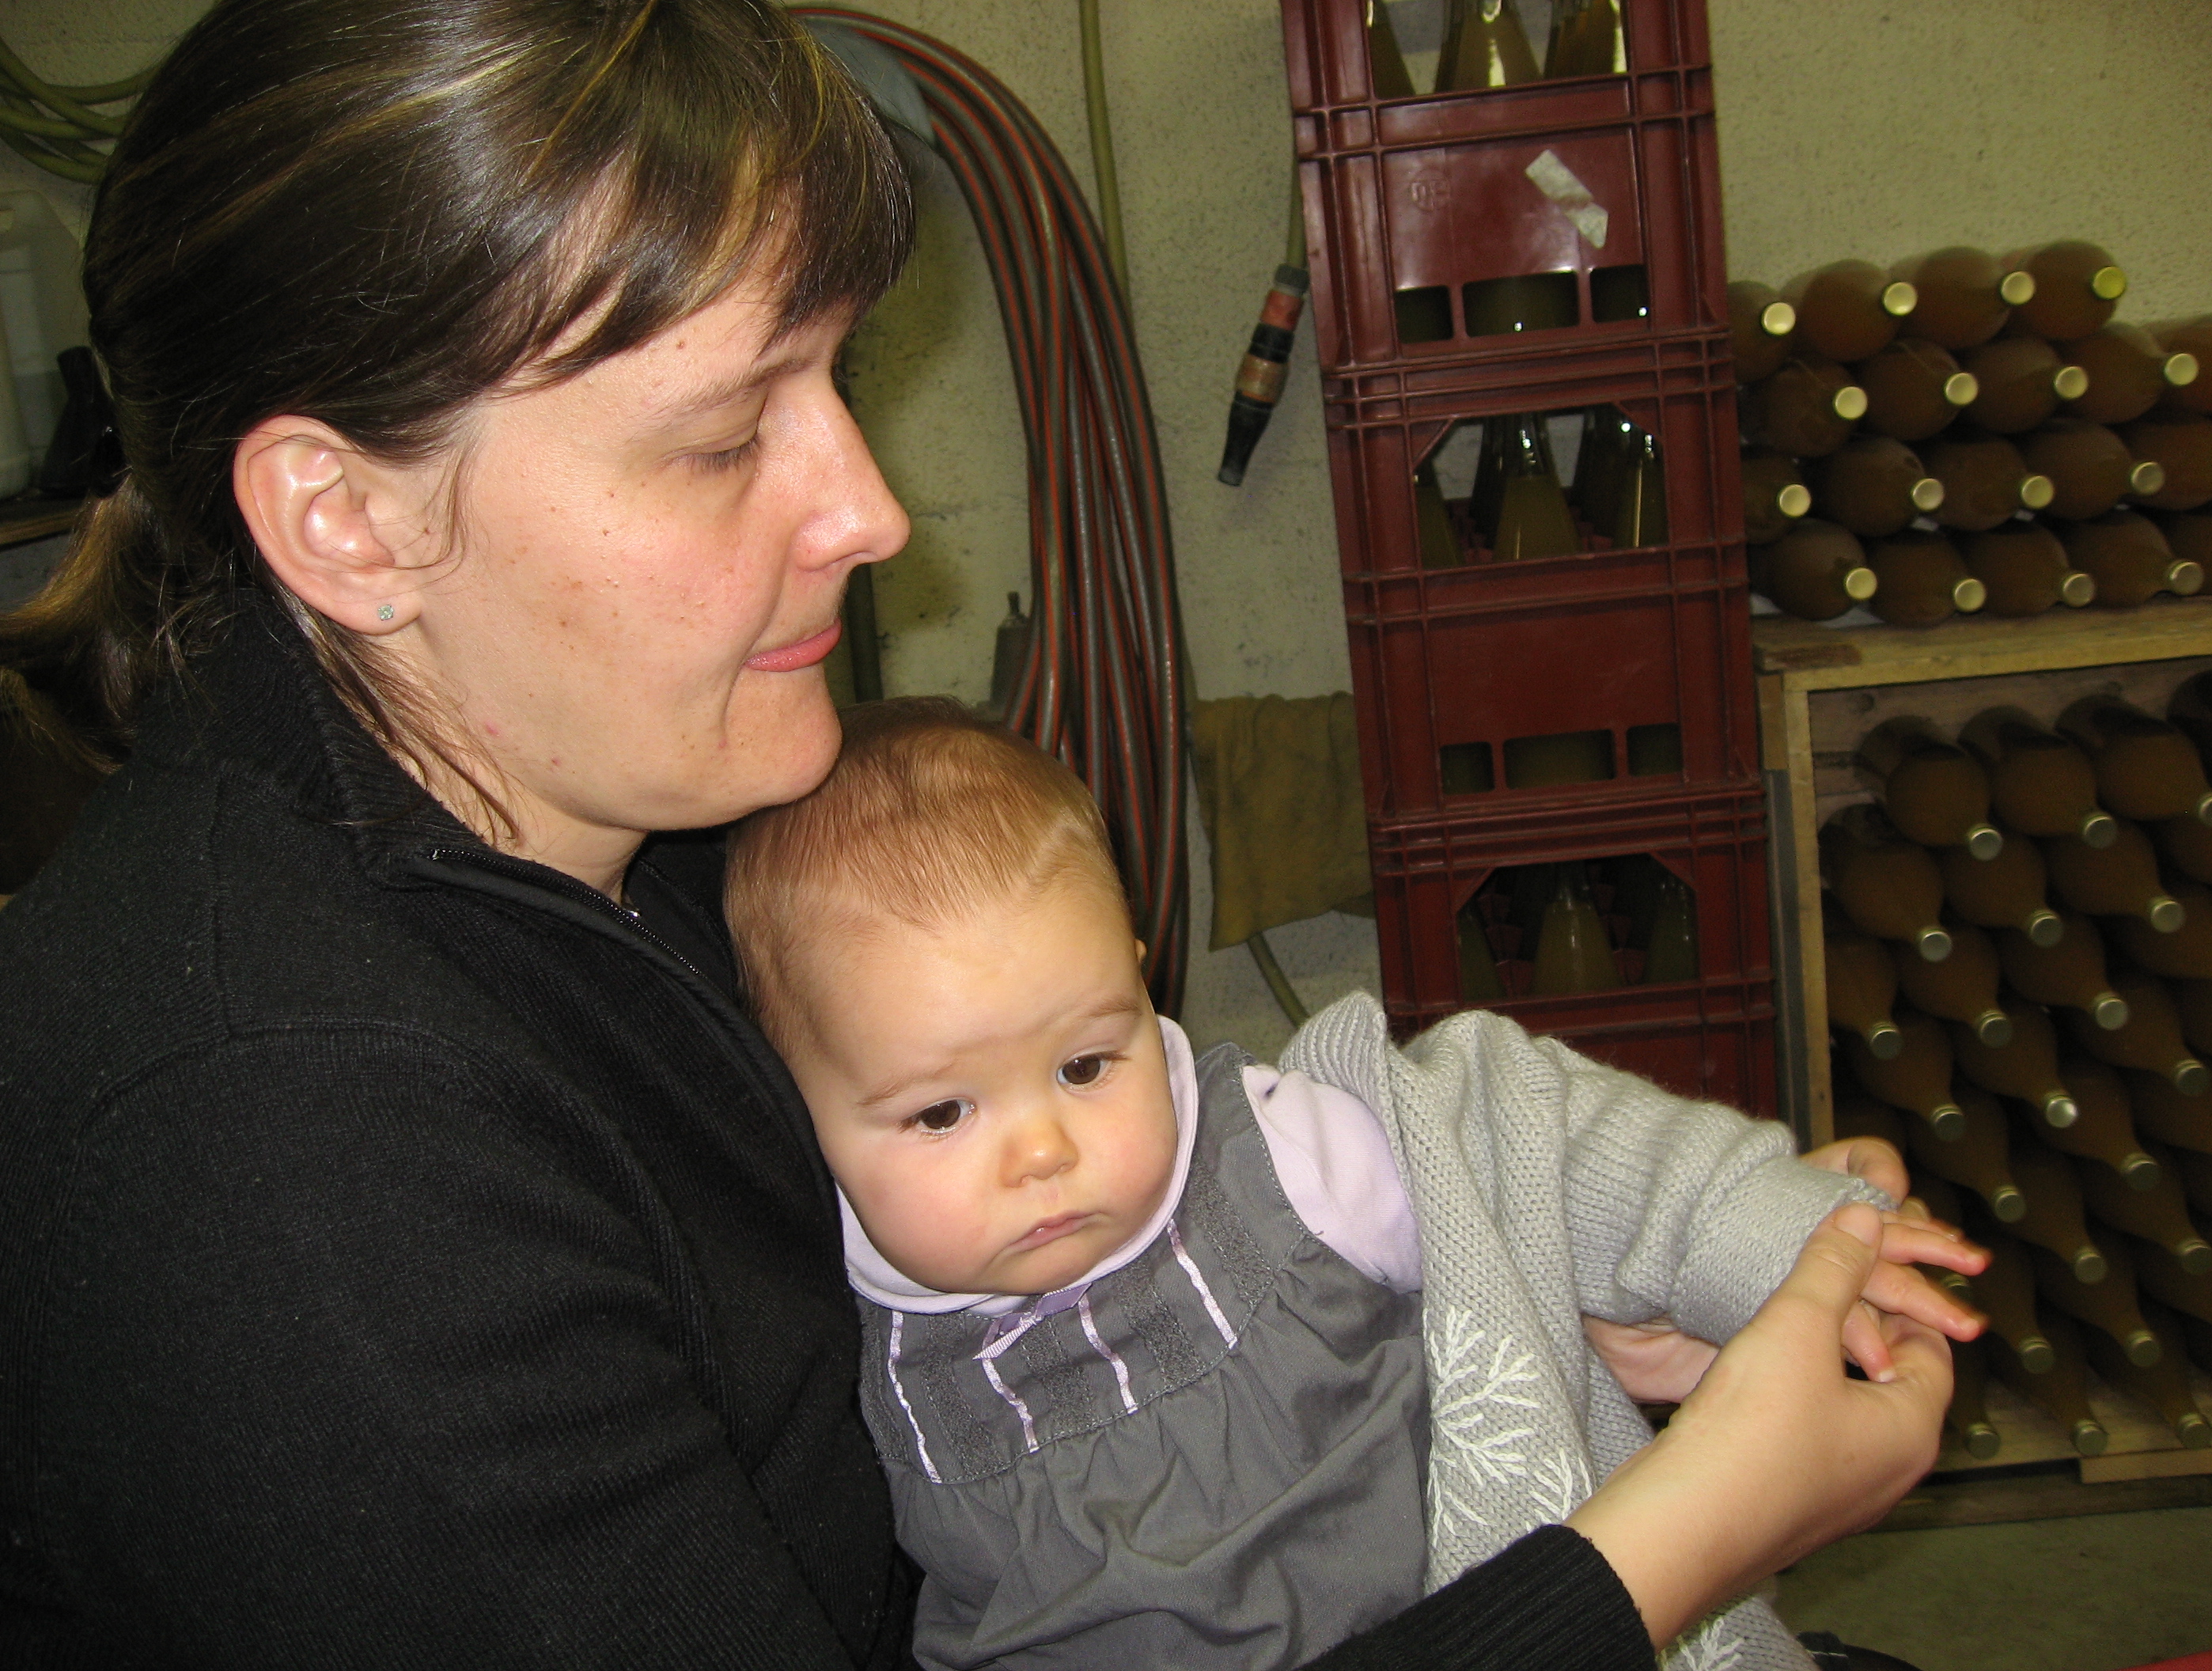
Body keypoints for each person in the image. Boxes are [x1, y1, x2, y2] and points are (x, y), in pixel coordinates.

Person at [0, 1, 1958, 1665]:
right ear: (347, 520)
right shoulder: (284, 1161)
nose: (870, 511)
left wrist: (1480, 1303)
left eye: (834, 379)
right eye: (721, 436)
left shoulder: (648, 836)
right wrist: (1661, 1552)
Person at [723, 698, 1983, 1671]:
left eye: (1087, 1063)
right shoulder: (815, 1341)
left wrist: (1775, 1238)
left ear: (1140, 985)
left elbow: (1531, 1134)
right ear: (795, 1110)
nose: (1042, 1150)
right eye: (942, 1112)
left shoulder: (1278, 1160)